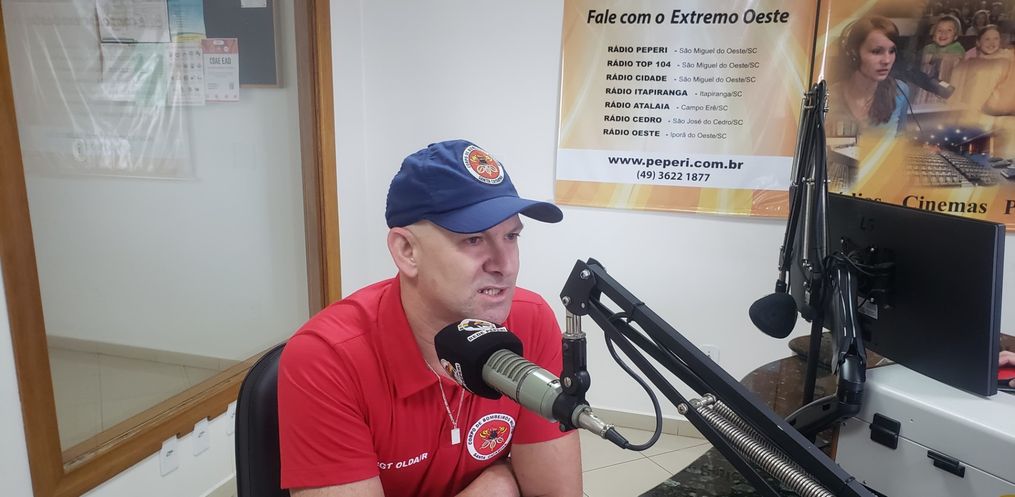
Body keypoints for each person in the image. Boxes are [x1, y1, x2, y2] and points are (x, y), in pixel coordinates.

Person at [277, 139, 583, 497]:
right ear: (407, 251)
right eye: (474, 240)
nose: (505, 265)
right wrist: (498, 485)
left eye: (511, 236)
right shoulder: (327, 359)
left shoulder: (530, 320)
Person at [831, 16, 910, 135]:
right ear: (853, 53)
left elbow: (899, 138)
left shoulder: (900, 91)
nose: (887, 60)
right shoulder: (827, 97)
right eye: (876, 51)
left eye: (892, 51)